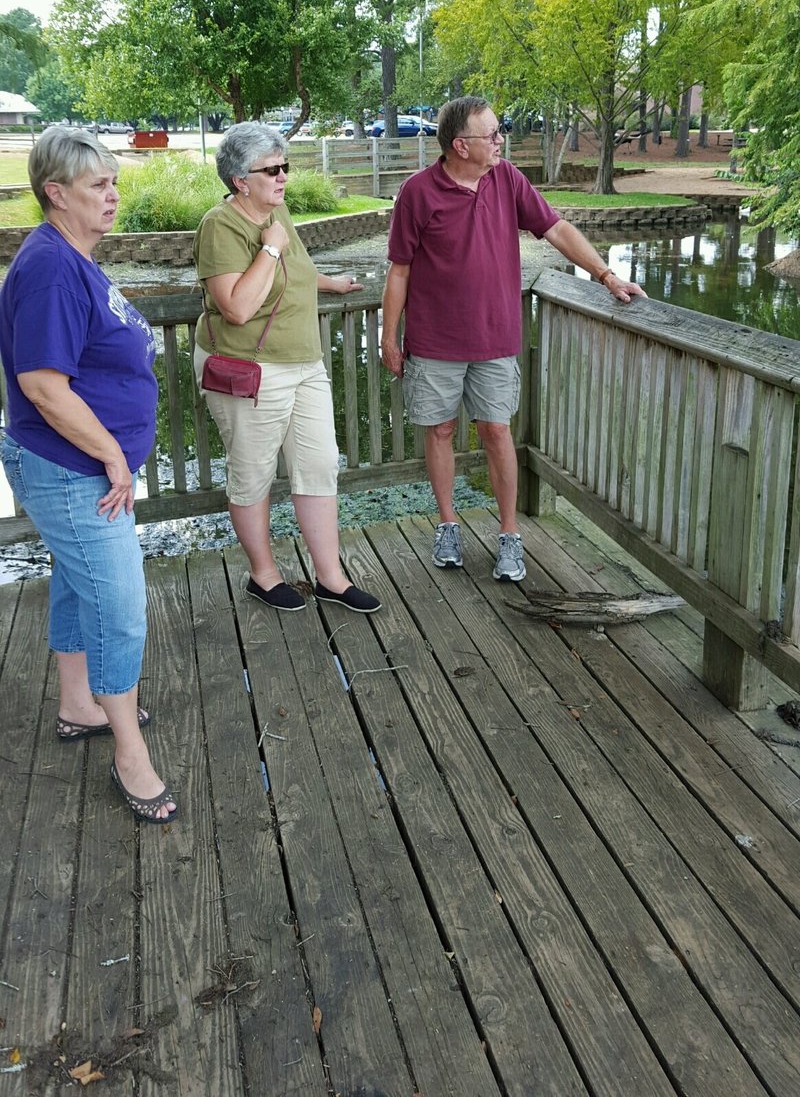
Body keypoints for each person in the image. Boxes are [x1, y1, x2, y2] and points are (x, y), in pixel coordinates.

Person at [381, 95, 647, 580]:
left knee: (497, 431)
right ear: (461, 145)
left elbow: (557, 228)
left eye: (499, 131)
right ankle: (447, 526)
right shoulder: (417, 193)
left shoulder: (508, 180)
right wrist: (388, 338)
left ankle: (509, 536)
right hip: (434, 340)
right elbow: (399, 272)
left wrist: (608, 277)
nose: (501, 140)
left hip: (496, 337)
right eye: (493, 134)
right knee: (439, 431)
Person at [0, 126, 176, 824]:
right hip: (71, 468)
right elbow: (43, 384)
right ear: (55, 192)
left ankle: (79, 704)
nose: (114, 195)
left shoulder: (70, 256)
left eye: (114, 181)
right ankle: (129, 753)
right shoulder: (47, 267)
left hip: (80, 467)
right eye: (98, 185)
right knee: (120, 609)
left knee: (78, 585)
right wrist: (110, 451)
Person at [193, 121, 381, 614]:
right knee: (253, 474)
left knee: (319, 466)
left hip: (304, 364)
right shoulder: (223, 225)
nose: (283, 177)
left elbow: (290, 273)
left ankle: (331, 578)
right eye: (271, 169)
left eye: (285, 167)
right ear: (240, 180)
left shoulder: (278, 213)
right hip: (250, 369)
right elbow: (235, 305)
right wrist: (271, 246)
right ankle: (264, 574)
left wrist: (328, 283)